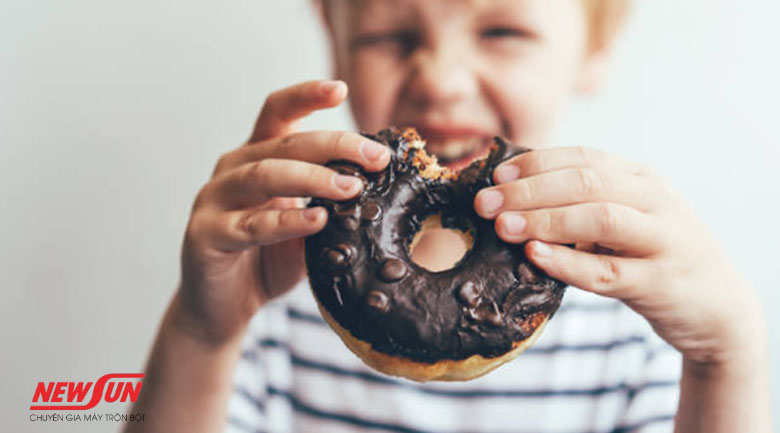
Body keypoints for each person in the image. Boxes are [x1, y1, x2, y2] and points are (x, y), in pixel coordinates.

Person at [124, 0, 772, 432]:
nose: (440, 79)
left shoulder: (636, 328)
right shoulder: (270, 306)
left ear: (593, 46)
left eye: (502, 31)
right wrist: (204, 334)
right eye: (391, 36)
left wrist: (725, 358)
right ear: (335, 37)